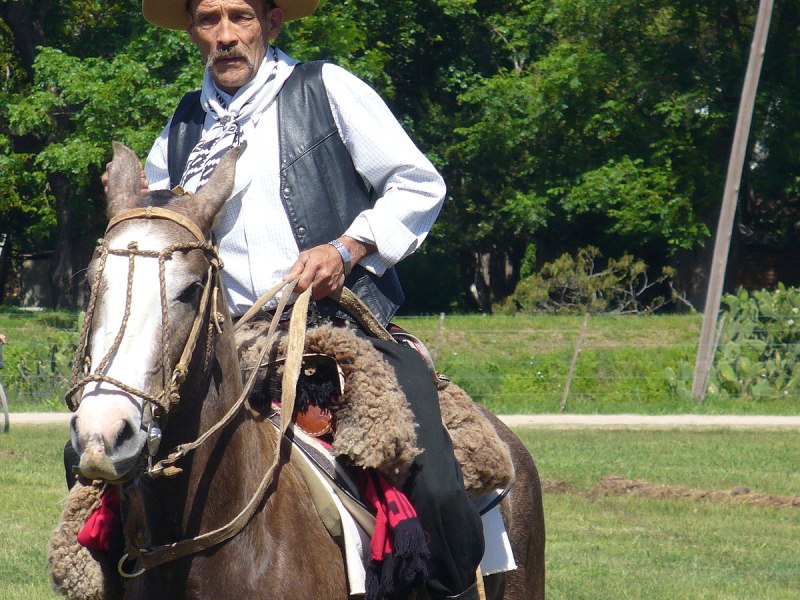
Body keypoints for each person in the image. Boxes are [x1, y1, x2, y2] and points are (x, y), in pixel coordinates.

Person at [138, 1, 485, 598]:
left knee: (437, 486)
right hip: (230, 345)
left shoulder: (324, 88)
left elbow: (418, 181)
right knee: (107, 467)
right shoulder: (178, 132)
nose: (226, 36)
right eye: (209, 19)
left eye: (241, 16)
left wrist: (347, 249)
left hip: (339, 330)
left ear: (272, 24)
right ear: (193, 33)